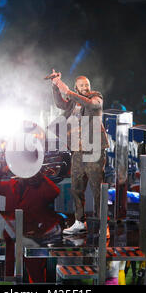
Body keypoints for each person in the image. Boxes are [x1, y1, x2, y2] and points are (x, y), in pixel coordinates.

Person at [50, 70, 109, 234]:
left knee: (97, 188)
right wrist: (56, 86)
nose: (85, 87)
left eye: (87, 85)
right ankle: (79, 222)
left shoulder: (95, 97)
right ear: (77, 87)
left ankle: (102, 224)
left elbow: (93, 105)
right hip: (78, 150)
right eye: (82, 85)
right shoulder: (73, 102)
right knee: (76, 188)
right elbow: (60, 104)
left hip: (94, 150)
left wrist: (67, 90)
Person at [0, 164, 60, 283]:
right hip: (11, 236)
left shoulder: (40, 187)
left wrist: (39, 174)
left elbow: (54, 192)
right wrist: (1, 171)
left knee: (36, 273)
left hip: (33, 237)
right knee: (9, 270)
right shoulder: (11, 185)